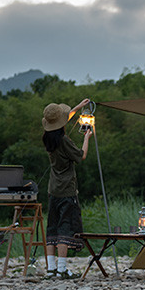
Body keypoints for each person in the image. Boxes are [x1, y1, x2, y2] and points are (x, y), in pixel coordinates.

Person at [41, 98, 92, 279]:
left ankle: (50, 269)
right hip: (67, 190)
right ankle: (62, 269)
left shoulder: (48, 138)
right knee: (64, 227)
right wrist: (87, 138)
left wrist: (78, 107)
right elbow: (81, 156)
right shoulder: (64, 141)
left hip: (53, 189)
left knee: (52, 226)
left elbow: (60, 122)